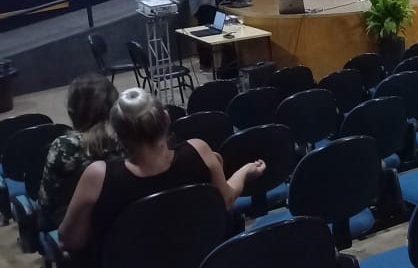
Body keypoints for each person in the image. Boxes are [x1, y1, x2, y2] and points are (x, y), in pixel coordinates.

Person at [59, 88, 265, 265]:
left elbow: (70, 241)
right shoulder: (199, 150)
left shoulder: (97, 176)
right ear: (166, 118)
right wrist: (245, 172)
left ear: (117, 133)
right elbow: (226, 200)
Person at [39, 75, 122, 230]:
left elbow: (46, 202)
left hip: (78, 231)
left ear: (73, 110)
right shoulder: (129, 137)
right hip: (123, 220)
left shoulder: (64, 146)